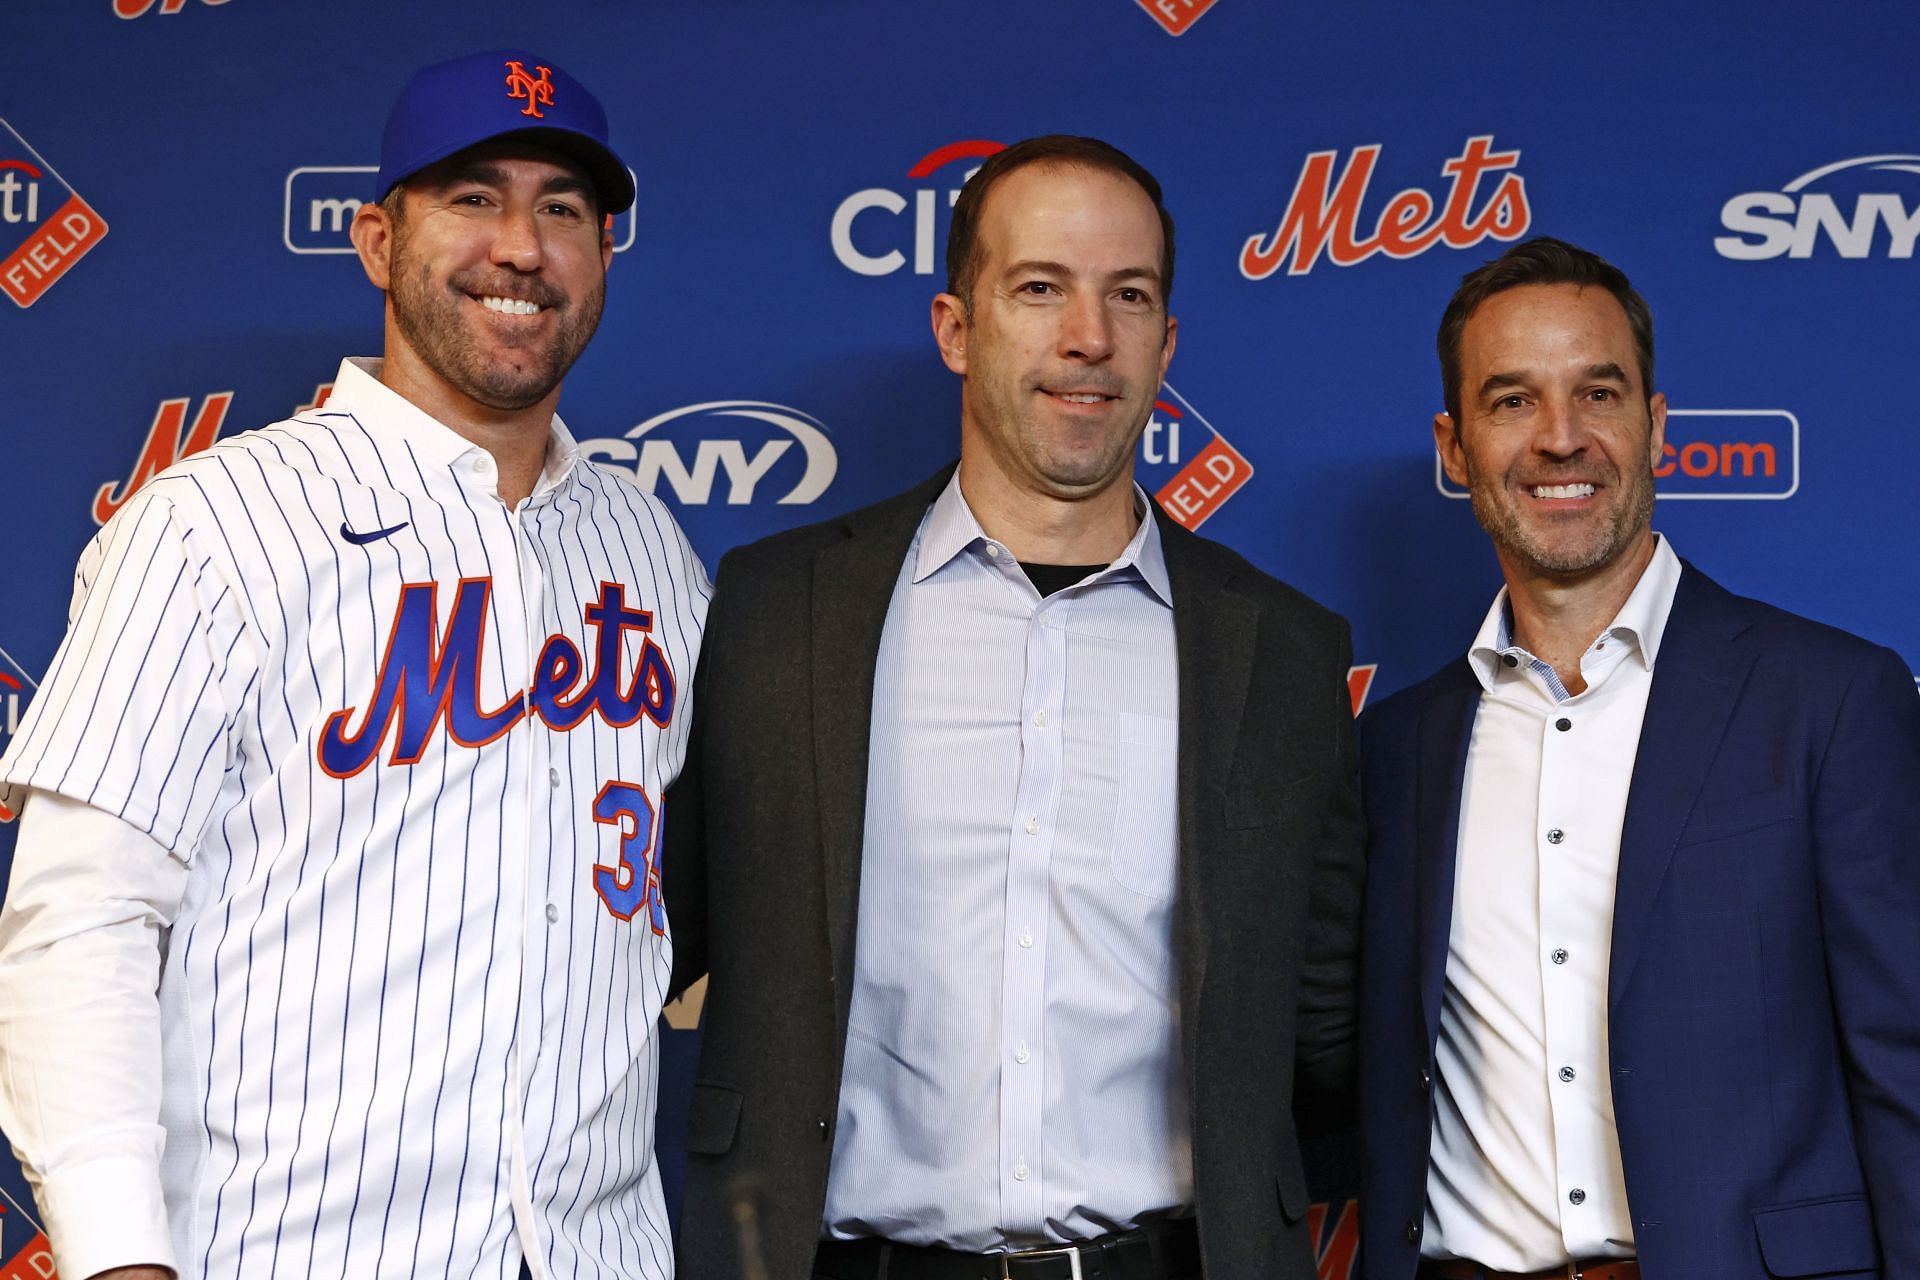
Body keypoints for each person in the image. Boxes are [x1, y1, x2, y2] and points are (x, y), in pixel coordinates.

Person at [0, 50, 707, 1280]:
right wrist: (118, 1256)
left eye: (563, 209)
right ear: (380, 240)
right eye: (474, 198)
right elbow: (82, 918)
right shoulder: (214, 524)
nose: (523, 247)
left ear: (602, 255)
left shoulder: (649, 548)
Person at [663, 135, 1364, 1280]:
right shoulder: (776, 610)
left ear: (1166, 341)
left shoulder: (1282, 651)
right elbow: (634, 948)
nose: (1087, 336)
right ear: (955, 326)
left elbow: (1331, 1032)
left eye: (1127, 296)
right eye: (1040, 288)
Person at [1357, 237, 1920, 1279]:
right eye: (1513, 400)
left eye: (1598, 393)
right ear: (1455, 445)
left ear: (1656, 426)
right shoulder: (1396, 747)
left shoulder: (1831, 700)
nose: (1560, 439)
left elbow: (1907, 1070)